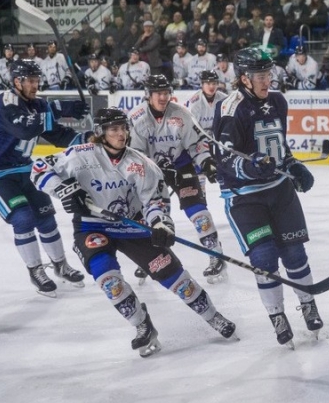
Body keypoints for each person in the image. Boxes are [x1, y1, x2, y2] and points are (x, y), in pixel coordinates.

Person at [31, 107, 237, 357]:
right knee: (109, 281)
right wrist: (64, 190)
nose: (121, 134)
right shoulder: (80, 155)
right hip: (91, 226)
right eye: (113, 129)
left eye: (123, 128)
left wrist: (160, 224)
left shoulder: (141, 164)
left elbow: (155, 202)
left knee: (176, 279)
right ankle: (141, 325)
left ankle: (212, 316)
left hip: (132, 226)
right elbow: (40, 168)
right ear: (100, 133)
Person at [211, 48, 322, 348]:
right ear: (244, 78)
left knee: (295, 253)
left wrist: (293, 165)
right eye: (260, 76)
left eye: (268, 74)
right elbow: (222, 160)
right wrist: (250, 166)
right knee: (264, 258)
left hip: (278, 191)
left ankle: (308, 303)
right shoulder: (231, 109)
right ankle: (277, 315)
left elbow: (279, 149)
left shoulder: (277, 102)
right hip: (245, 197)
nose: (266, 81)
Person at [0, 60, 88, 297]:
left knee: (46, 216)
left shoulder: (37, 104)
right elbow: (25, 127)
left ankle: (60, 264)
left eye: (36, 80)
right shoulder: (5, 102)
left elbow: (56, 133)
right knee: (23, 218)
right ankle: (35, 270)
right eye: (30, 80)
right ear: (17, 82)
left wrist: (88, 139)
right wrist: (62, 108)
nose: (35, 84)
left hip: (23, 170)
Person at [128, 74, 227, 283]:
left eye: (166, 92)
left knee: (198, 212)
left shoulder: (181, 113)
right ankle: (153, 259)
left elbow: (195, 144)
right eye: (158, 93)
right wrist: (155, 171)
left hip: (181, 167)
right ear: (148, 95)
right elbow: (135, 155)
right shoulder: (137, 118)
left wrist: (206, 161)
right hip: (152, 173)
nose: (163, 97)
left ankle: (215, 255)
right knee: (156, 217)